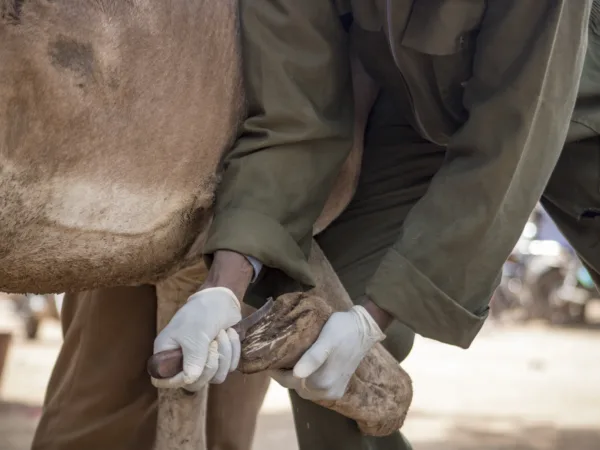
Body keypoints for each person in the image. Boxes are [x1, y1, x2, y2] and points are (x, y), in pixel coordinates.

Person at [33, 1, 598, 450]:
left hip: (567, 104)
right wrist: (223, 288)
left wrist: (374, 321)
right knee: (323, 343)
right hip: (411, 117)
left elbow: (512, 140)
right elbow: (296, 116)